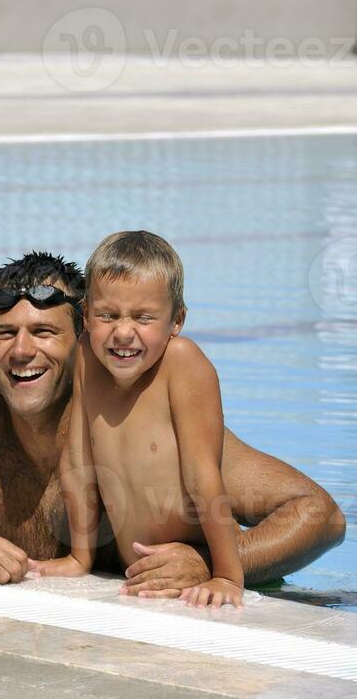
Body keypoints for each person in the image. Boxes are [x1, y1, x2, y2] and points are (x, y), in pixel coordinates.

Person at [0, 252, 345, 593]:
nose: (21, 351)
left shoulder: (142, 416)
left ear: (84, 341)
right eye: (5, 335)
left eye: (44, 332)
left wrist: (211, 563)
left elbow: (320, 514)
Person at [29, 232, 242, 607]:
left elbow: (202, 473)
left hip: (199, 566)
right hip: (142, 578)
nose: (123, 332)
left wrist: (226, 575)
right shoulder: (88, 358)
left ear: (176, 320)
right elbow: (78, 459)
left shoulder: (182, 362)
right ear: (87, 317)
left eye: (143, 318)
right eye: (107, 315)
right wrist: (81, 556)